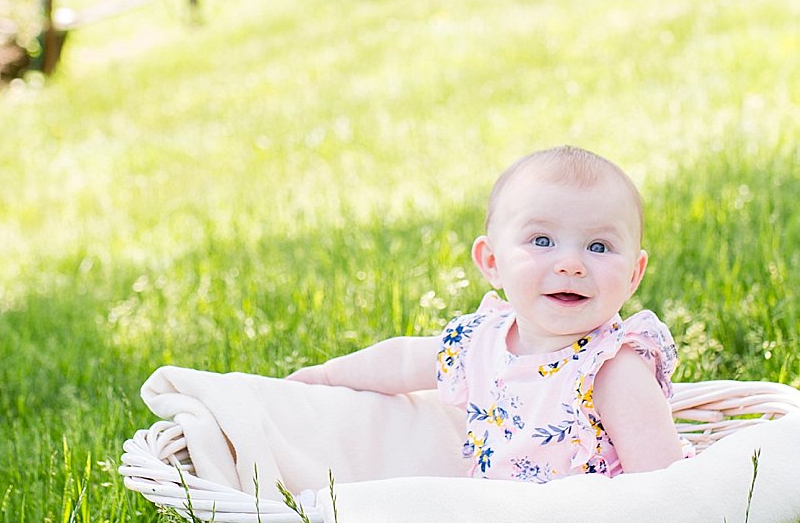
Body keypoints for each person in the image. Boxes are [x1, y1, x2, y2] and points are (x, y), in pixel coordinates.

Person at [288, 146, 688, 480]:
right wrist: (326, 376)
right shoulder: (480, 342)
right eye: (542, 240)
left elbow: (660, 487)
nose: (571, 264)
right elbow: (403, 360)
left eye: (598, 246)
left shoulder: (612, 368)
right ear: (492, 262)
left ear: (634, 274)